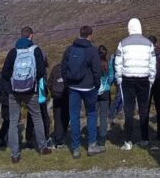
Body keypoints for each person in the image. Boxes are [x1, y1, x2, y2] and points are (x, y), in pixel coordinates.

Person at [0, 27, 52, 163]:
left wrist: (11, 87)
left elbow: (5, 73)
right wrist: (32, 81)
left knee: (13, 122)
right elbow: (41, 71)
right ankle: (43, 147)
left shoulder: (13, 52)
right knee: (37, 117)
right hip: (31, 91)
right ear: (31, 36)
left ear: (20, 35)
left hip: (14, 91)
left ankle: (15, 154)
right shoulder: (36, 50)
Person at [62, 25, 104, 158]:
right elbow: (97, 71)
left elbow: (63, 67)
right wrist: (97, 84)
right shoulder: (92, 50)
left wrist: (67, 83)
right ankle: (92, 145)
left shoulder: (70, 49)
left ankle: (75, 148)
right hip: (89, 87)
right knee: (91, 114)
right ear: (90, 35)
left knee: (74, 116)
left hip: (73, 88)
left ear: (80, 34)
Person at [115, 18, 156, 150]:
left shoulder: (122, 43)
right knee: (144, 109)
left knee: (128, 110)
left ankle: (128, 141)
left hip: (127, 80)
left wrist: (119, 78)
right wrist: (151, 79)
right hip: (144, 79)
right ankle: (144, 139)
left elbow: (118, 63)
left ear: (129, 28)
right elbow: (153, 64)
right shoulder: (149, 44)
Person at [25, 67, 52, 149]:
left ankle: (29, 139)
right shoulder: (42, 71)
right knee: (44, 119)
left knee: (30, 120)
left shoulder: (30, 69)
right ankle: (46, 138)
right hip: (41, 99)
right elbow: (44, 86)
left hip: (31, 98)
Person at [148, 36, 160, 142]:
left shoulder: (145, 55)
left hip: (148, 83)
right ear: (156, 44)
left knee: (145, 108)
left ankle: (145, 135)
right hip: (159, 82)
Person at [47, 60, 70, 149]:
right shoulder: (69, 68)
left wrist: (53, 92)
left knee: (57, 117)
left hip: (56, 95)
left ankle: (58, 138)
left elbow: (49, 83)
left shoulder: (55, 68)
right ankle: (61, 138)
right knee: (66, 116)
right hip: (66, 95)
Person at [97, 45, 115, 148]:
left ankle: (93, 137)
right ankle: (102, 138)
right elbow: (111, 76)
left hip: (95, 90)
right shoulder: (108, 63)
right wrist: (108, 84)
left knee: (93, 114)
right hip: (106, 90)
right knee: (103, 115)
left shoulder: (94, 63)